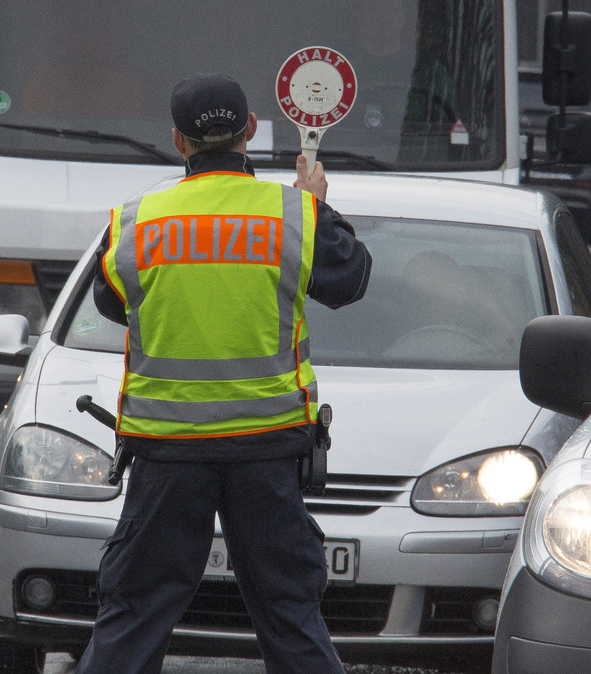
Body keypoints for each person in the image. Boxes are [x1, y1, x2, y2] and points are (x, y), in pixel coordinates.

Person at [76, 73, 372, 674]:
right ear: (251, 132)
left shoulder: (138, 222)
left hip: (167, 456)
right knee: (289, 614)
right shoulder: (292, 215)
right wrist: (315, 200)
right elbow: (350, 281)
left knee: (134, 614)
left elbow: (111, 302)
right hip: (266, 451)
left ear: (179, 142)